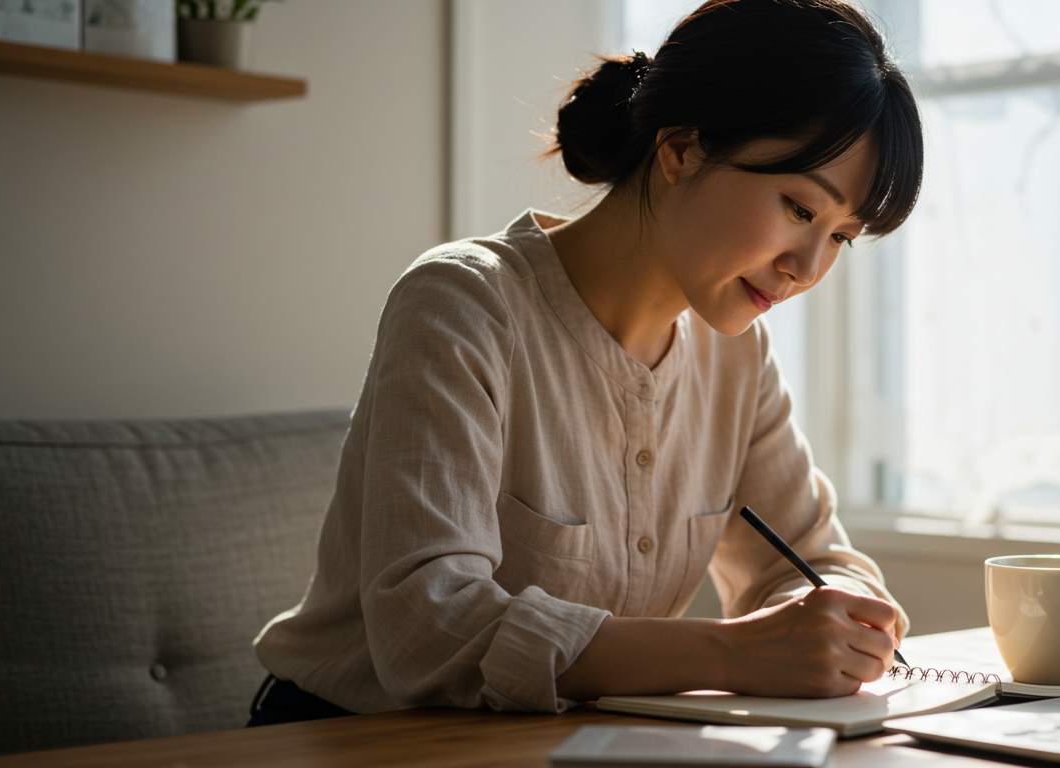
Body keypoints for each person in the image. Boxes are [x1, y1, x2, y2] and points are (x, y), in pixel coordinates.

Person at [247, 0, 924, 727]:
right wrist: (735, 655)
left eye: (841, 238)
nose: (806, 268)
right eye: (798, 208)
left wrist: (825, 626)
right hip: (351, 738)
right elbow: (427, 628)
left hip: (560, 740)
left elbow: (813, 560)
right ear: (682, 149)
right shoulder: (463, 304)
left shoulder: (738, 353)